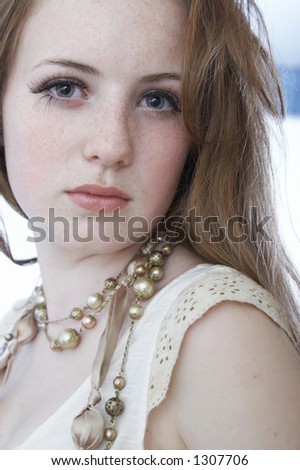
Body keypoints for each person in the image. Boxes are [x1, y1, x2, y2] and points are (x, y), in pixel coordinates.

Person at [0, 0, 300, 451]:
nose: (112, 145)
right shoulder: (18, 331)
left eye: (158, 100)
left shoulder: (220, 339)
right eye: (65, 88)